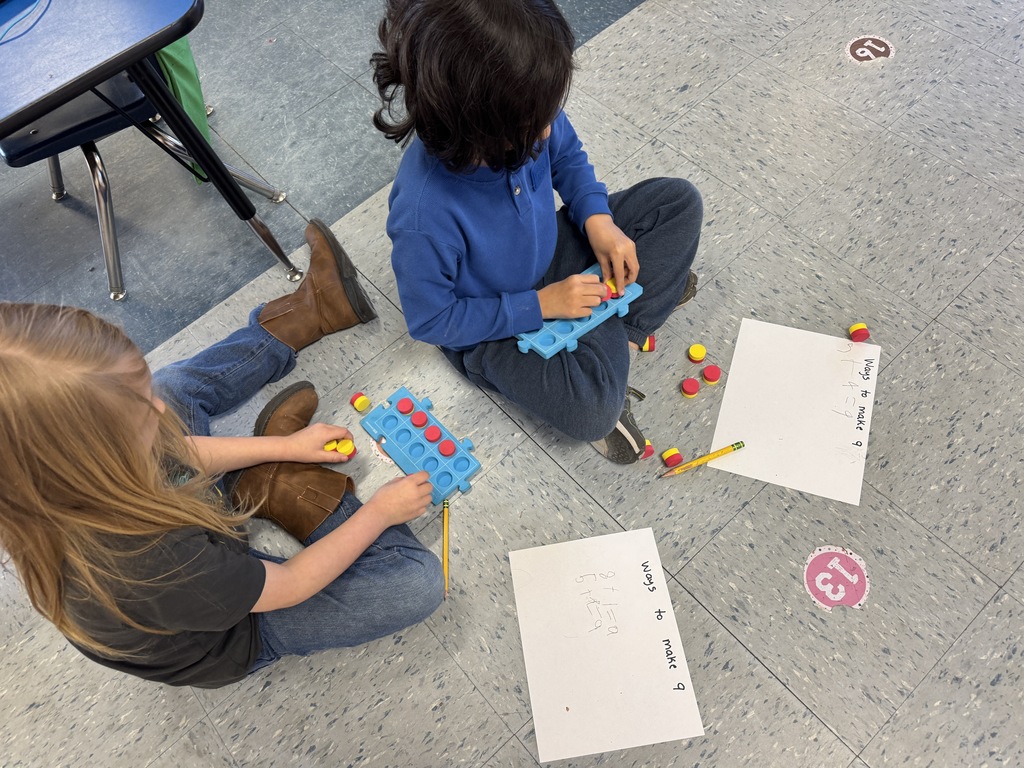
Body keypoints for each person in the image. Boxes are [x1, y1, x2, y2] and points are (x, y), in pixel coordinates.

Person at [0, 221, 444, 689]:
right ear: (87, 459)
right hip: (236, 633)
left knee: (173, 389)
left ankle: (314, 312)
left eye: (138, 387)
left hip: (186, 555)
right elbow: (291, 584)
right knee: (415, 585)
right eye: (136, 409)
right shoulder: (155, 563)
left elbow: (177, 453)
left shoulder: (57, 479)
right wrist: (378, 513)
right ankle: (287, 491)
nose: (154, 408)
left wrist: (285, 446)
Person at [370, 0, 703, 464]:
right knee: (591, 411)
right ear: (481, 128)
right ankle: (618, 329)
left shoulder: (527, 116)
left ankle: (614, 327)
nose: (549, 128)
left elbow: (568, 158)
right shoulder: (425, 214)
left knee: (677, 202)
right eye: (536, 124)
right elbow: (432, 321)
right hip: (493, 329)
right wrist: (540, 306)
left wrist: (597, 219)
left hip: (552, 256)